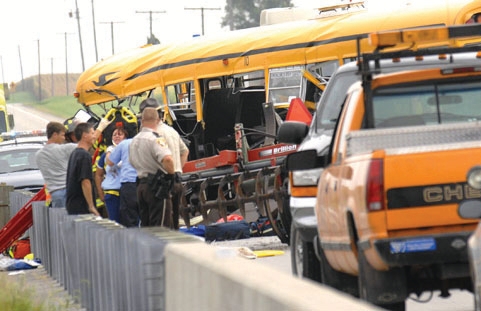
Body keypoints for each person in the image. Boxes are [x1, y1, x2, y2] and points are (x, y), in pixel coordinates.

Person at [138, 98, 189, 229]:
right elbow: (185, 151)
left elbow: (164, 159)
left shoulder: (154, 134)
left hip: (162, 183)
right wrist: (177, 169)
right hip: (175, 181)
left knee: (161, 224)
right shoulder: (171, 131)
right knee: (173, 223)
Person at [129, 107, 175, 227]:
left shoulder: (134, 141)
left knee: (146, 224)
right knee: (161, 224)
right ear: (157, 120)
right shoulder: (155, 139)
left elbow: (132, 162)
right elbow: (167, 158)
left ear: (142, 120)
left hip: (141, 186)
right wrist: (171, 175)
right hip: (157, 187)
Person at [36, 121, 77, 208]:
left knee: (60, 219)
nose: (64, 138)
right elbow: (85, 145)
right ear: (55, 134)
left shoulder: (39, 154)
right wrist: (100, 127)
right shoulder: (64, 149)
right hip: (67, 191)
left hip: (54, 193)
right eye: (62, 135)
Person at [65, 122, 101, 216]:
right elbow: (85, 181)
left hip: (73, 205)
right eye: (92, 133)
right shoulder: (84, 155)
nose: (94, 136)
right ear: (85, 135)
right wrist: (91, 206)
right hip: (81, 207)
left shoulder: (75, 153)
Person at [95, 126, 128, 222]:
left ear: (125, 137)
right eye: (114, 135)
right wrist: (101, 194)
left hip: (127, 192)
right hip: (111, 193)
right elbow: (98, 174)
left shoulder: (130, 151)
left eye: (120, 134)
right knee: (114, 222)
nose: (117, 136)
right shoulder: (106, 154)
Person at [107, 135, 140, 227]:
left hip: (129, 182)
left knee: (129, 217)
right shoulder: (152, 140)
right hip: (147, 182)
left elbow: (110, 162)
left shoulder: (124, 144)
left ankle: (132, 239)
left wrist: (109, 150)